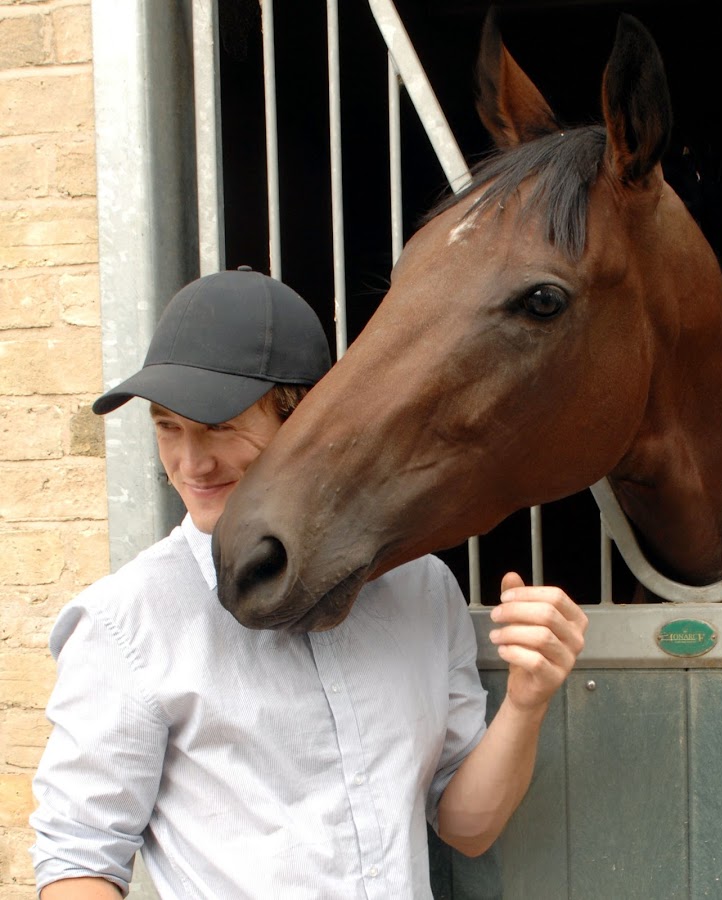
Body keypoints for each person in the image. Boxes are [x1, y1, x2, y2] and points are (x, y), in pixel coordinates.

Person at [29, 267, 588, 899]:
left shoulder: (420, 587)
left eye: (218, 425)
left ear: (305, 422)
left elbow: (466, 828)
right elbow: (78, 859)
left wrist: (527, 699)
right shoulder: (125, 621)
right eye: (167, 427)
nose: (191, 463)